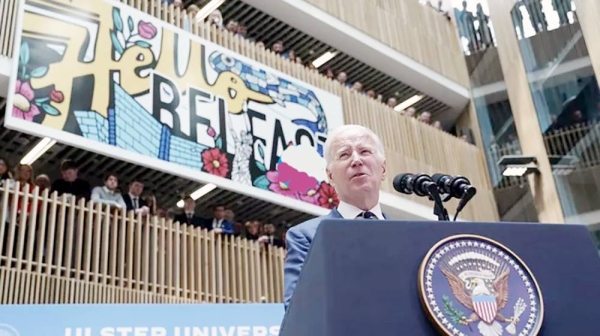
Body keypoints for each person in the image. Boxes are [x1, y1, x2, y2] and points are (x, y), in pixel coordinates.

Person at [283, 124, 387, 310]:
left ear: (383, 169)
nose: (356, 160)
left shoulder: (406, 236)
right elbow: (297, 310)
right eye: (344, 155)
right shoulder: (306, 237)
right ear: (330, 176)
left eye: (364, 151)